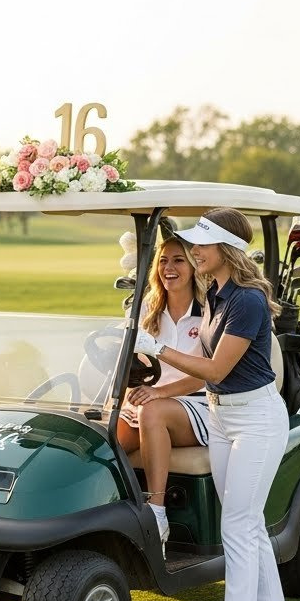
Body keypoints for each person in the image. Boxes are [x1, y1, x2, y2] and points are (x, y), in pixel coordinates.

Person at [135, 208, 290, 601]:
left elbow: (215, 370)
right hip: (222, 418)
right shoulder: (218, 293)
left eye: (201, 245)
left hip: (257, 420)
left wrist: (159, 349)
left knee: (237, 526)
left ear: (227, 248)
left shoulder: (246, 300)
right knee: (249, 522)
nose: (195, 251)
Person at [118, 236, 208, 550]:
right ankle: (105, 517)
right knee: (105, 438)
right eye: (163, 260)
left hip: (198, 405)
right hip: (151, 400)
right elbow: (130, 363)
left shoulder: (209, 310)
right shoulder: (147, 307)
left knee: (152, 411)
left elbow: (201, 376)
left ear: (194, 265)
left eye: (178, 260)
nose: (169, 268)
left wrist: (158, 394)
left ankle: (156, 515)